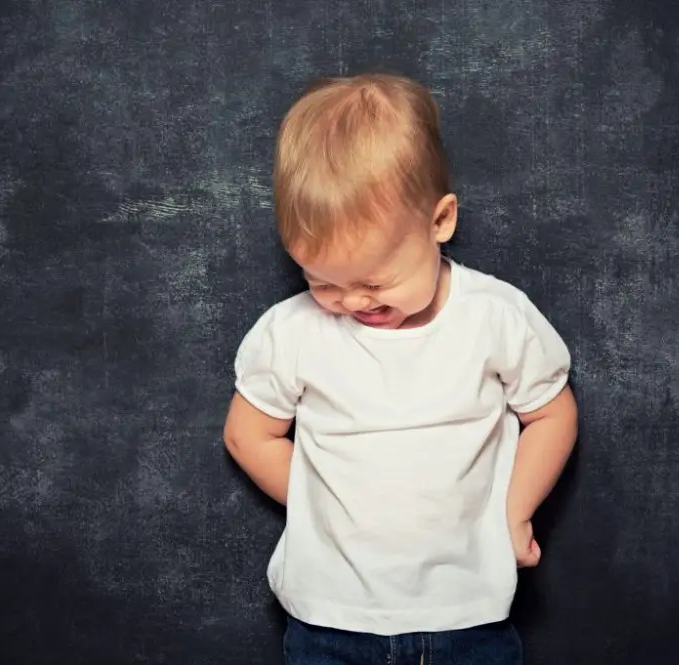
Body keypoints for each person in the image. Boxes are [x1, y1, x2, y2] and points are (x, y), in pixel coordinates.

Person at [222, 73, 578, 665]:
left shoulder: (494, 317)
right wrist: (322, 505)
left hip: (467, 614)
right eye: (323, 281)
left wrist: (515, 511)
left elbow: (552, 413)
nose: (354, 301)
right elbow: (247, 433)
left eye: (375, 281)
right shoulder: (292, 332)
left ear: (440, 222)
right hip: (329, 617)